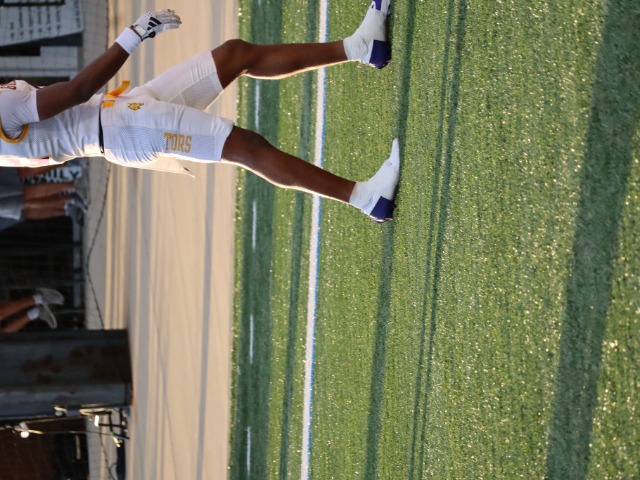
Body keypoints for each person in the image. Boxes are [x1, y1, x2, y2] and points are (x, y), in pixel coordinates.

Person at [0, 1, 400, 223]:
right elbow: (77, 91)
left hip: (118, 114)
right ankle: (366, 198)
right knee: (247, 147)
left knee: (234, 55)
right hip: (124, 127)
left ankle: (362, 47)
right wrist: (133, 36)